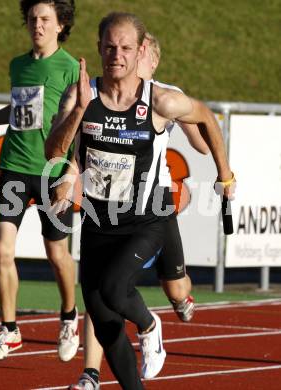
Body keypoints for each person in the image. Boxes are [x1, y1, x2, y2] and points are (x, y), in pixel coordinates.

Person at [45, 12, 235, 390]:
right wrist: (79, 111)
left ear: (140, 51)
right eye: (110, 47)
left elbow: (208, 119)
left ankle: (150, 324)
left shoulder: (161, 101)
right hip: (98, 224)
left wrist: (225, 173)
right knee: (101, 315)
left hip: (146, 221)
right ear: (99, 48)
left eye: (126, 48)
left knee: (116, 289)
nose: (117, 54)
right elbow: (54, 151)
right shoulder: (81, 95)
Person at [69, 31, 205, 390]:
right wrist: (70, 169)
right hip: (105, 210)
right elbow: (77, 144)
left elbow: (201, 137)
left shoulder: (163, 96)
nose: (127, 62)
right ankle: (92, 371)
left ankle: (173, 305)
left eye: (136, 54)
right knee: (101, 296)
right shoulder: (100, 93)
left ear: (150, 59)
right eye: (117, 51)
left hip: (155, 203)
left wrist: (196, 131)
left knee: (173, 288)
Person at [0, 0, 80, 362]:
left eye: (45, 19)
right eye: (32, 19)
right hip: (13, 165)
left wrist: (72, 172)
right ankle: (10, 329)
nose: (37, 25)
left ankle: (69, 317)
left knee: (57, 254)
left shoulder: (72, 68)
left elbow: (83, 127)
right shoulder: (19, 64)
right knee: (1, 251)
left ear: (61, 25)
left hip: (51, 173)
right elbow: (19, 111)